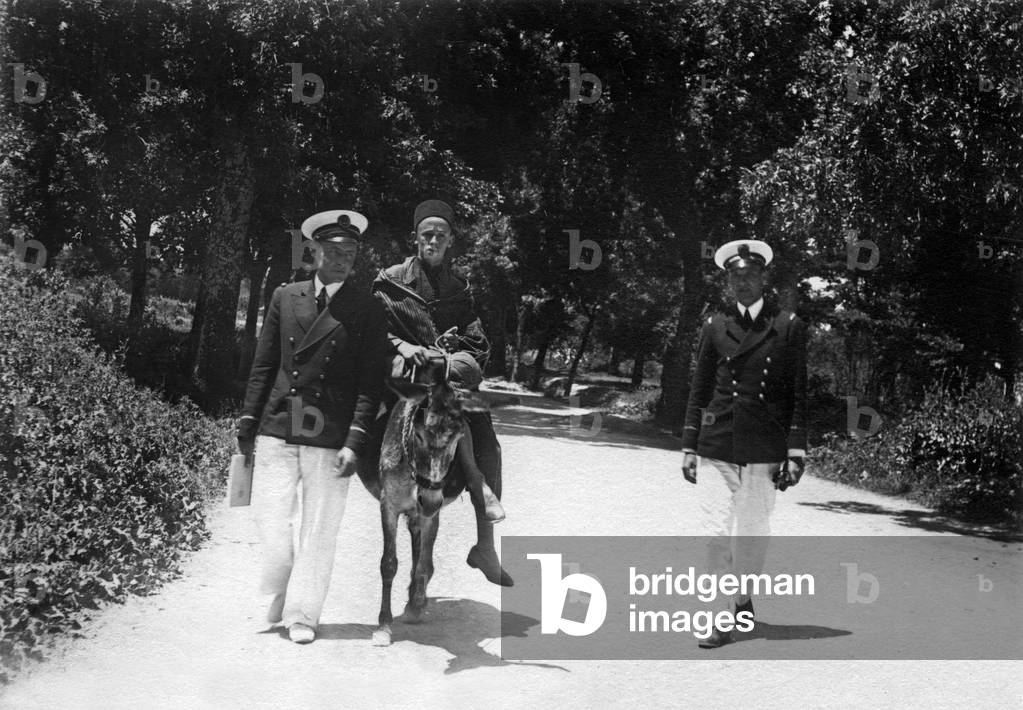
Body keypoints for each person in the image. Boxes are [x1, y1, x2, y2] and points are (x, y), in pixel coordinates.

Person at [237, 209, 389, 644]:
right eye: (334, 250)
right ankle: (279, 584)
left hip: (329, 433)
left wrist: (355, 441)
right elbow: (264, 363)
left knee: (320, 527)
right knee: (271, 520)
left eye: (351, 252)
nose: (342, 259)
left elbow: (369, 383)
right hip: (279, 423)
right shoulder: (287, 296)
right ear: (314, 250)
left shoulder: (367, 309)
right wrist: (249, 420)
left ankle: (303, 613)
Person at [371, 198, 513, 587]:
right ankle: (370, 477)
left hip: (446, 379)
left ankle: (485, 546)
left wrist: (450, 360)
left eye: (440, 235)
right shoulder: (391, 282)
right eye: (426, 234)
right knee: (366, 422)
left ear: (451, 240)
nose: (432, 241)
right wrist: (403, 347)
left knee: (490, 442)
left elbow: (478, 343)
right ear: (415, 238)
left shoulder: (458, 289)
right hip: (403, 375)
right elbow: (370, 328)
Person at [680, 239, 808, 648]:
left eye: (750, 276)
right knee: (715, 534)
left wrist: (795, 452)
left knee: (752, 533)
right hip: (718, 442)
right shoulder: (714, 326)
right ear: (727, 281)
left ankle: (743, 598)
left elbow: (797, 394)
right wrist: (688, 444)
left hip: (764, 448)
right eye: (735, 277)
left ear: (764, 278)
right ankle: (721, 618)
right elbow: (699, 388)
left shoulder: (787, 326)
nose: (743, 284)